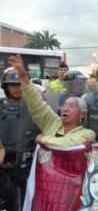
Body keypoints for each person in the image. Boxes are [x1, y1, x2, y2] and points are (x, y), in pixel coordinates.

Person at [8, 54, 95, 147]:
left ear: (82, 114)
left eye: (72, 106)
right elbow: (36, 104)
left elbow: (67, 143)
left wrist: (44, 139)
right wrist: (23, 77)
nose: (65, 109)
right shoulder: (53, 123)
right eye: (65, 105)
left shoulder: (87, 134)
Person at [0, 67, 40, 211]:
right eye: (13, 84)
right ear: (5, 86)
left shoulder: (35, 107)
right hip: (3, 166)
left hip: (26, 166)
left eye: (20, 84)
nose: (17, 88)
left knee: (23, 203)